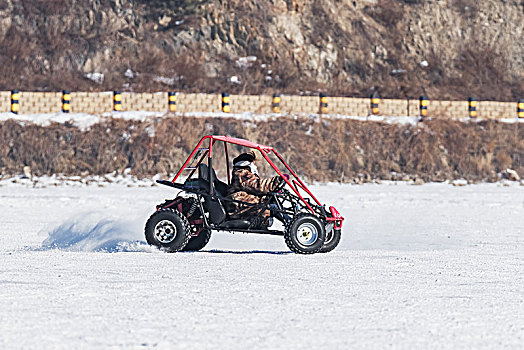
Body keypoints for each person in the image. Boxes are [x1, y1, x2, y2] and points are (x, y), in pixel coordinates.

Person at [225, 151, 284, 227]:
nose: (255, 165)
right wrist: (276, 181)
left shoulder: (243, 173)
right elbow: (257, 186)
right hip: (237, 207)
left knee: (273, 200)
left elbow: (254, 189)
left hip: (243, 205)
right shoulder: (242, 174)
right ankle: (291, 223)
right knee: (272, 207)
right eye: (253, 162)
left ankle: (292, 222)